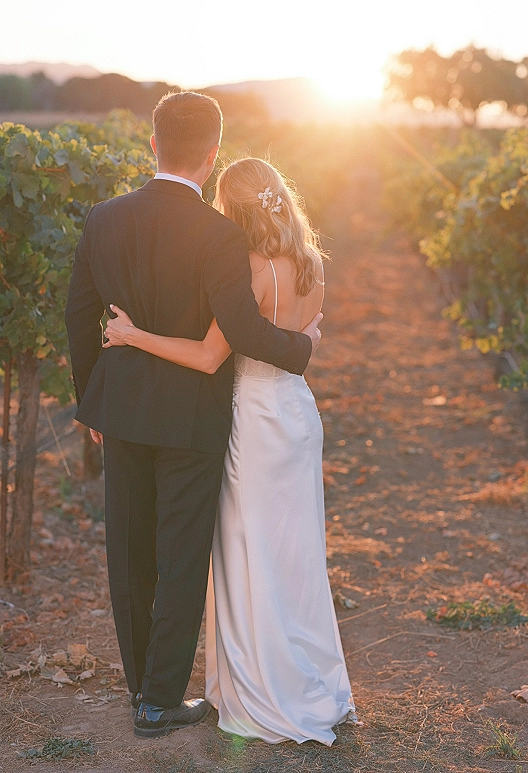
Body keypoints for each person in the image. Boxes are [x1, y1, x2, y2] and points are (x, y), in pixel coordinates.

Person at [65, 92, 321, 739]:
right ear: (211, 157)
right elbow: (239, 329)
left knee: (127, 551)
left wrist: (90, 398)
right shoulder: (221, 233)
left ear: (152, 146)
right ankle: (159, 697)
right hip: (193, 421)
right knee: (182, 554)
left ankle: (139, 691)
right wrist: (303, 347)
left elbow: (77, 315)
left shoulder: (103, 217)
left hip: (119, 408)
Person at [103, 157, 356, 746]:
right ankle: (311, 680)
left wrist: (133, 335)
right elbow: (302, 339)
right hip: (296, 413)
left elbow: (207, 356)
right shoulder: (312, 264)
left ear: (231, 208)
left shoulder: (241, 265)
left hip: (251, 418)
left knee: (249, 555)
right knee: (297, 557)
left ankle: (262, 692)